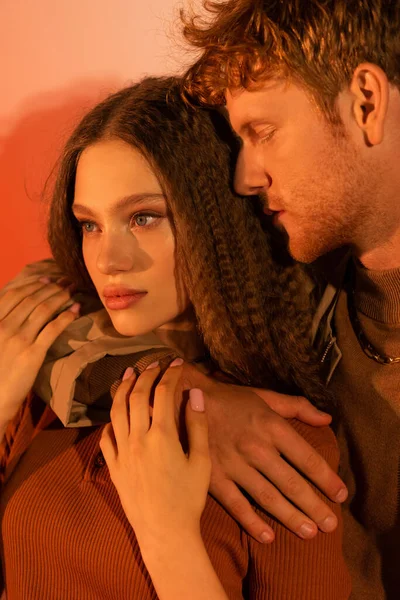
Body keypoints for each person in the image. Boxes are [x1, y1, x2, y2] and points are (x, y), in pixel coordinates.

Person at [0, 77, 351, 599]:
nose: (108, 261)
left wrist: (168, 539)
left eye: (143, 217)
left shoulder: (279, 448)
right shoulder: (51, 374)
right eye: (90, 224)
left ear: (216, 223)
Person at [177, 0, 400, 598]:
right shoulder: (296, 298)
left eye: (262, 132)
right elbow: (63, 306)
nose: (245, 178)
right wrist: (187, 396)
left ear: (366, 104)